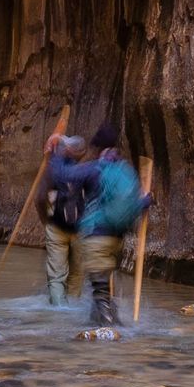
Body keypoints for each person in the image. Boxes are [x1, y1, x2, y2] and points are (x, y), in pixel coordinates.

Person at [50, 124, 150, 325]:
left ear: (98, 148)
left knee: (100, 291)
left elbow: (62, 175)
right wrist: (147, 201)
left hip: (96, 236)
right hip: (117, 239)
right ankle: (109, 329)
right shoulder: (126, 171)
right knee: (103, 289)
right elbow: (134, 204)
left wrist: (57, 152)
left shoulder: (95, 168)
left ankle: (108, 335)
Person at [41, 135, 91, 305]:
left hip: (56, 227)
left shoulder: (54, 168)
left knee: (56, 276)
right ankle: (72, 312)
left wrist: (50, 151)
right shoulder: (85, 171)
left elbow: (41, 197)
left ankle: (58, 311)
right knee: (77, 274)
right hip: (80, 230)